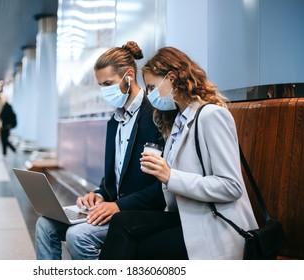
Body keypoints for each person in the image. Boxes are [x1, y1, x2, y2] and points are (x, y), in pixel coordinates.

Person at [100, 46, 258, 260]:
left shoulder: (211, 115)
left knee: (132, 243)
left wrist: (170, 176)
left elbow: (232, 186)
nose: (151, 95)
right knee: (122, 223)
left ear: (172, 78)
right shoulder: (177, 121)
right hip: (187, 218)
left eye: (153, 87)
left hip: (215, 225)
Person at [35, 41, 166, 260]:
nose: (104, 91)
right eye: (101, 85)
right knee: (45, 225)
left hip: (140, 212)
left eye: (108, 83)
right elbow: (112, 182)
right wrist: (96, 196)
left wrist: (117, 205)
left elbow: (160, 188)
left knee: (78, 236)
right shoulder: (114, 122)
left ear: (129, 76)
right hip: (114, 206)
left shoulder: (155, 117)